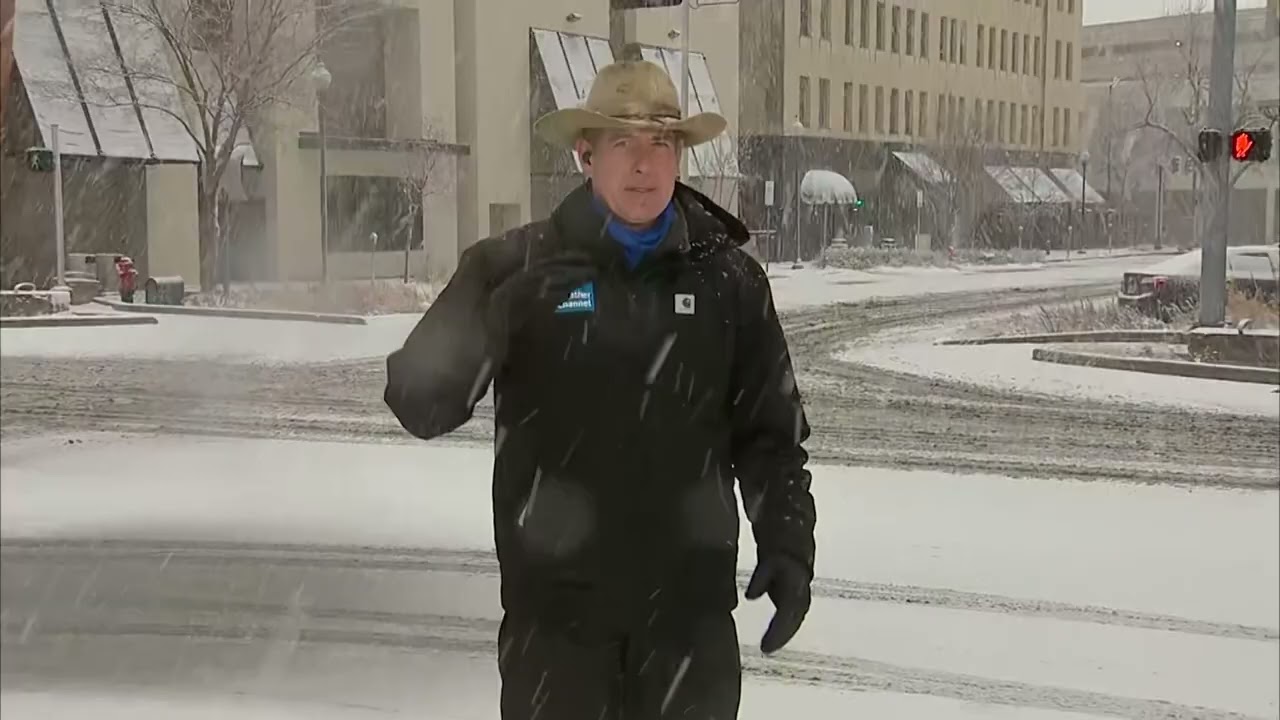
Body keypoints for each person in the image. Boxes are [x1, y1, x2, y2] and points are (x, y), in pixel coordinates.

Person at [384, 58, 816, 720]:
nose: (644, 164)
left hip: (687, 636)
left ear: (680, 158)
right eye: (623, 143)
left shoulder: (730, 283)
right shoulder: (520, 276)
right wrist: (473, 304)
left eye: (661, 144)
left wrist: (787, 546)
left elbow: (770, 437)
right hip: (557, 637)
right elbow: (421, 406)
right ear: (586, 155)